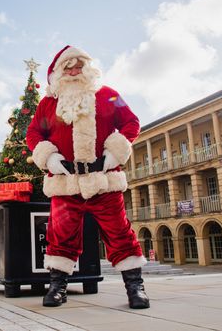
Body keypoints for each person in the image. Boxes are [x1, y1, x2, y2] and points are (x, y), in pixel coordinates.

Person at [26, 45, 149, 309]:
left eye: (78, 64)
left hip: (103, 181)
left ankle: (135, 287)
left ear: (87, 67)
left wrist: (114, 153)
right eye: (67, 66)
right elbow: (34, 133)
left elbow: (132, 122)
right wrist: (49, 158)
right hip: (65, 184)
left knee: (119, 233)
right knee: (60, 235)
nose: (73, 70)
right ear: (58, 72)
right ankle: (58, 286)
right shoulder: (48, 104)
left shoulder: (110, 95)